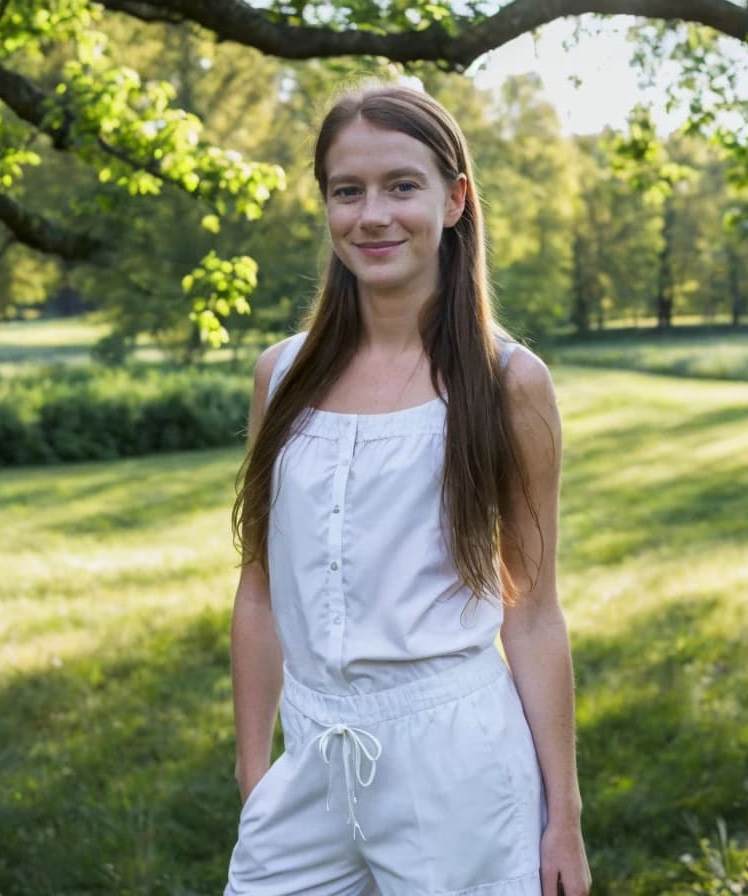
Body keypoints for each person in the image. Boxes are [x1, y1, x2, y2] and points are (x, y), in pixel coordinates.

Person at [225, 82, 591, 896]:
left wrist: (562, 815)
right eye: (346, 191)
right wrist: (257, 778)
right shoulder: (280, 376)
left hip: (455, 766)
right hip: (312, 754)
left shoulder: (508, 383)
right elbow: (258, 594)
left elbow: (531, 612)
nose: (373, 215)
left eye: (402, 185)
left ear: (455, 198)